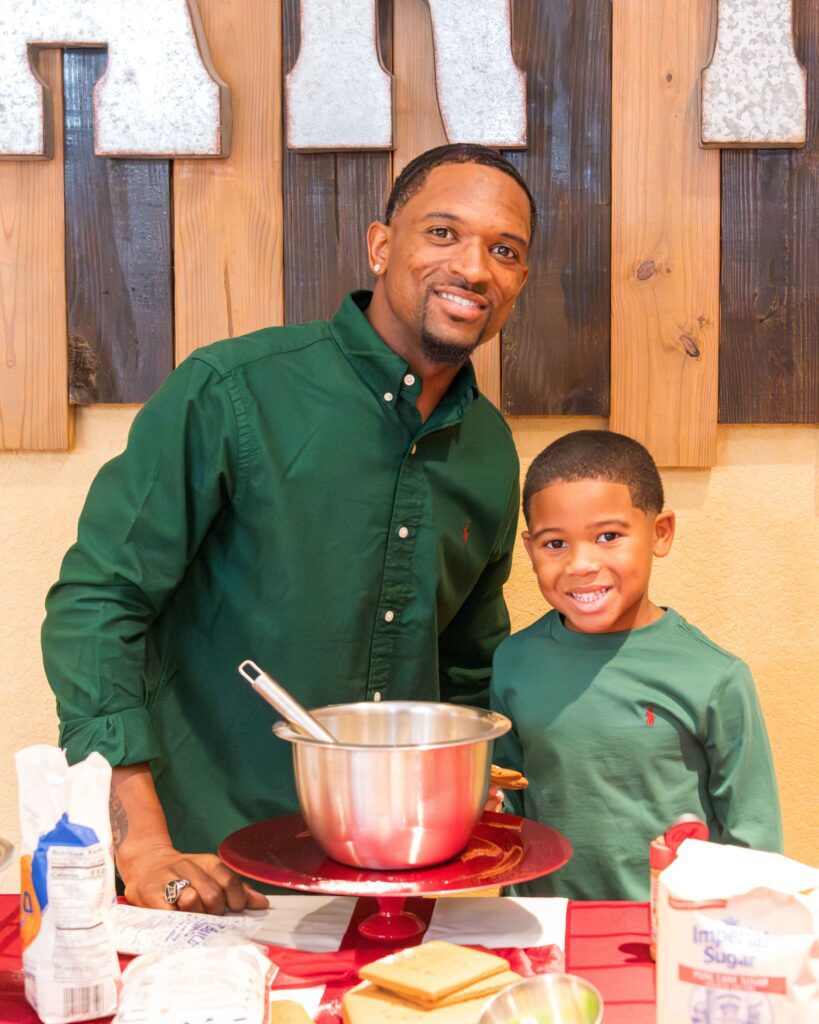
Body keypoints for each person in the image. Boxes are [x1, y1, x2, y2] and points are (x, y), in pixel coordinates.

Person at [41, 143, 536, 915]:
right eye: (442, 233)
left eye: (503, 250)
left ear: (518, 281)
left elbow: (466, 668)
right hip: (205, 875)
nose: (474, 268)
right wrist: (140, 846)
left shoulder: (490, 452)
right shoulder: (231, 391)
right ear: (380, 245)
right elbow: (99, 604)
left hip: (392, 888)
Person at [490, 429, 783, 900]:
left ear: (660, 533)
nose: (581, 564)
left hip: (672, 929)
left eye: (608, 536)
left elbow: (754, 839)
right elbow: (509, 795)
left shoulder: (716, 677)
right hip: (546, 931)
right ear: (529, 549)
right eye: (555, 544)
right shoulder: (514, 661)